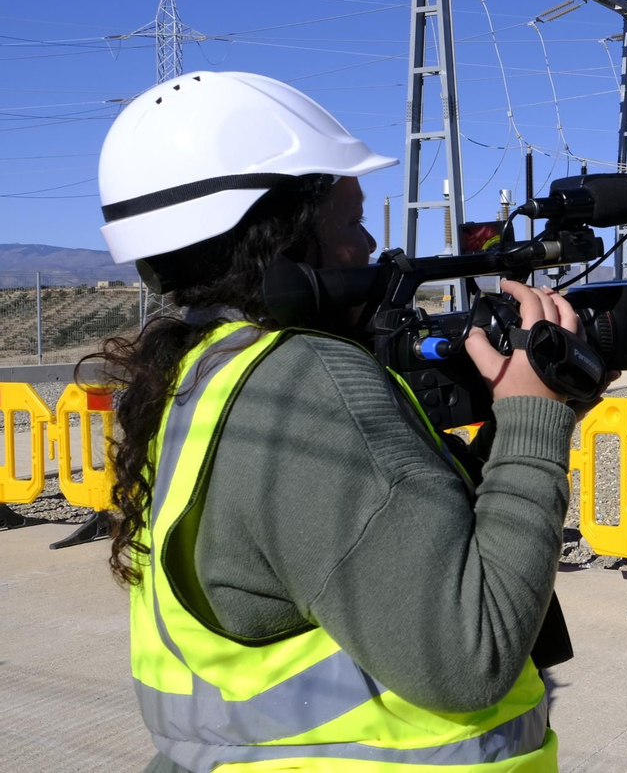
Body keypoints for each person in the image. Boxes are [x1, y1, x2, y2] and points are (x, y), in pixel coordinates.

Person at [92, 71, 592, 771]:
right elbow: (468, 655)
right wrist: (534, 420)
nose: (369, 246)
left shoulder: (204, 375)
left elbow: (390, 544)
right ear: (284, 239)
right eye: (350, 220)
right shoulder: (305, 378)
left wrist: (532, 416)